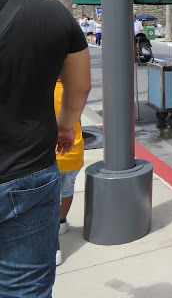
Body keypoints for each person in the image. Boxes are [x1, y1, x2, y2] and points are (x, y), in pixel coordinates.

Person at [0, 0, 91, 296]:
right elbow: (80, 86)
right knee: (25, 290)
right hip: (26, 170)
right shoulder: (51, 14)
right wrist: (66, 126)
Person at [53, 81, 84, 266]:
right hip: (74, 151)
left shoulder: (41, 87)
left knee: (48, 200)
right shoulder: (73, 88)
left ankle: (54, 247)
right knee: (67, 188)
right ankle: (62, 222)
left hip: (51, 155)